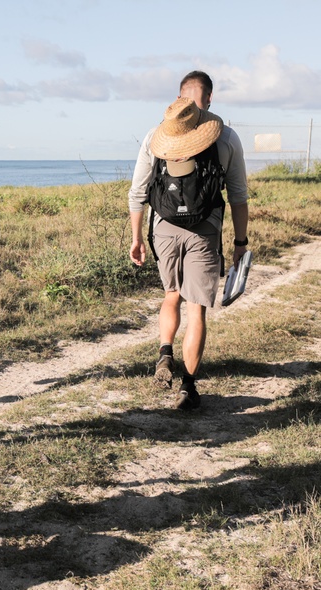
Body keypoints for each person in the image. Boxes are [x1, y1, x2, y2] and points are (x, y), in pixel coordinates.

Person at [129, 71, 249, 409]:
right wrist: (240, 242)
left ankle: (165, 351)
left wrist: (137, 238)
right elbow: (238, 196)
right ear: (209, 99)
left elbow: (137, 192)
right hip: (205, 228)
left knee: (171, 295)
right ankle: (188, 388)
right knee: (196, 308)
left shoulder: (157, 136)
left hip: (164, 226)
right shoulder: (225, 138)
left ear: (179, 99)